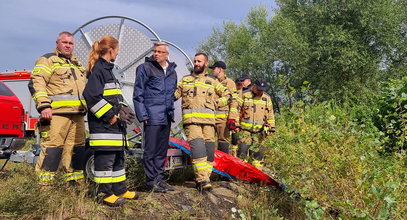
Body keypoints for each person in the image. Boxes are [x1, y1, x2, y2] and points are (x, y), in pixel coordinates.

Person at [83, 36, 137, 207]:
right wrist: (110, 116)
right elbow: (90, 96)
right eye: (117, 49)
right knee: (105, 161)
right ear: (111, 50)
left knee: (117, 160)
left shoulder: (108, 70)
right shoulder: (98, 70)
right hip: (104, 127)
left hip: (114, 128)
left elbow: (112, 97)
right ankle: (104, 194)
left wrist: (122, 108)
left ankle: (120, 189)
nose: (118, 52)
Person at [28, 31, 87, 185]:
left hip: (78, 114)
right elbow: (36, 83)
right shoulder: (47, 60)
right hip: (56, 114)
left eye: (70, 43)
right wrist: (44, 106)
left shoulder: (77, 63)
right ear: (57, 43)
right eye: (65, 42)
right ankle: (44, 189)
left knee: (77, 150)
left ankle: (75, 186)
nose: (68, 45)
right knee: (52, 150)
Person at [174, 53, 233, 192]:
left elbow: (229, 96)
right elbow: (174, 95)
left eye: (199, 61)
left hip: (208, 123)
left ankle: (204, 178)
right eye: (195, 61)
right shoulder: (185, 80)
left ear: (206, 63)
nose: (196, 63)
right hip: (191, 122)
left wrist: (217, 103)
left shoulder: (212, 82)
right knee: (198, 150)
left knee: (209, 154)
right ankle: (202, 180)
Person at [133, 42, 177, 193]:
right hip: (151, 116)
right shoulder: (145, 68)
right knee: (150, 150)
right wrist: (143, 114)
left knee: (161, 150)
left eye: (160, 52)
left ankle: (159, 179)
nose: (156, 54)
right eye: (155, 51)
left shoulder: (172, 72)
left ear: (167, 54)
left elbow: (171, 94)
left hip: (166, 115)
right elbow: (138, 93)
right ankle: (151, 181)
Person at [237, 78, 275, 170]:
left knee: (258, 156)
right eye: (258, 89)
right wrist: (235, 124)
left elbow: (270, 114)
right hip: (244, 131)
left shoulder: (267, 98)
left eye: (262, 90)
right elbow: (236, 111)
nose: (260, 92)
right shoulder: (244, 95)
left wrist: (271, 127)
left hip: (260, 133)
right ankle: (241, 175)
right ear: (254, 86)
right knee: (242, 153)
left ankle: (256, 175)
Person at [208, 61, 238, 154]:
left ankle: (223, 166)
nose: (212, 70)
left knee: (223, 142)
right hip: (210, 117)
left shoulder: (230, 83)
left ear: (220, 69)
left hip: (223, 119)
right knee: (209, 141)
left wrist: (232, 118)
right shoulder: (211, 82)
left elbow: (234, 101)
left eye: (214, 68)